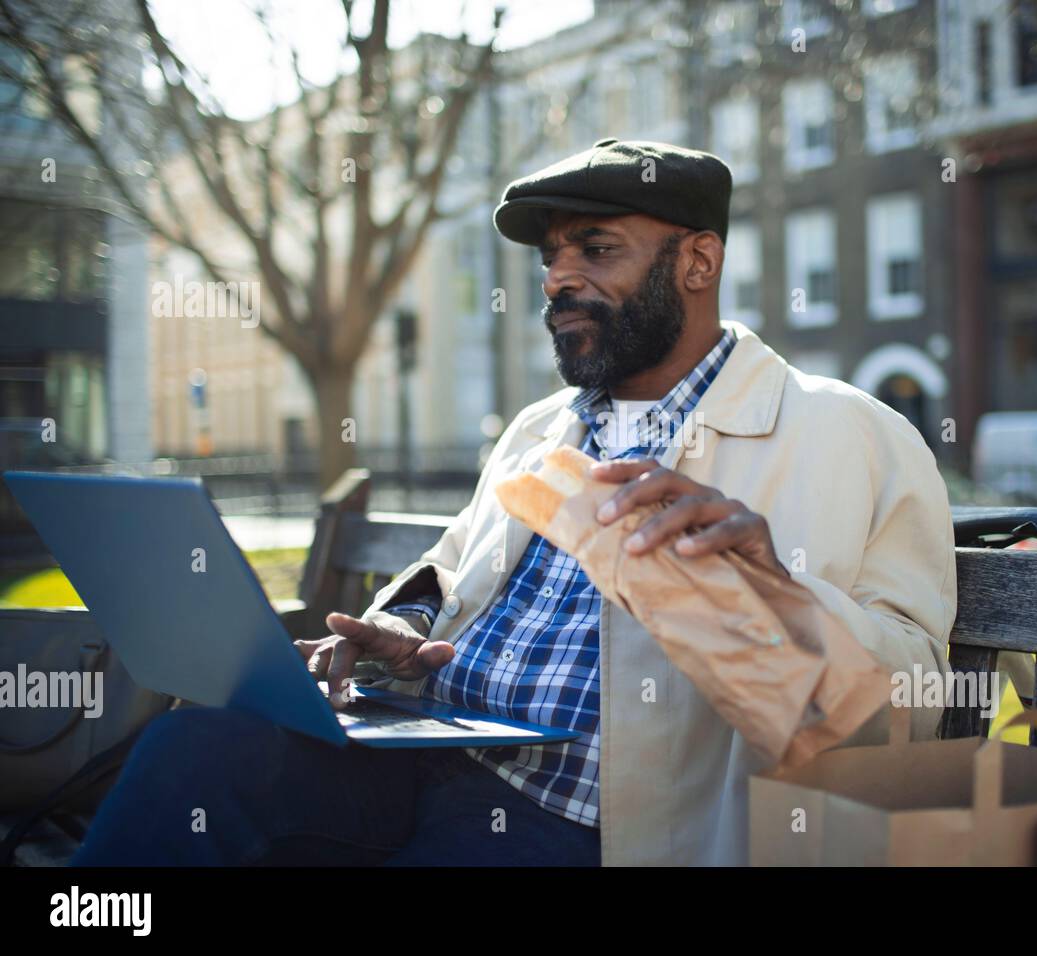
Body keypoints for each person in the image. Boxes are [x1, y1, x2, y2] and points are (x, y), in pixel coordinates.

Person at [73, 138, 955, 866]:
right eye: (551, 257)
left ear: (699, 260)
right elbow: (453, 569)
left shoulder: (851, 434)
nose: (559, 278)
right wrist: (405, 636)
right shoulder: (542, 427)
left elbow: (913, 716)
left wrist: (776, 590)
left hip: (587, 826)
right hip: (422, 754)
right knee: (193, 754)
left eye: (596, 248)